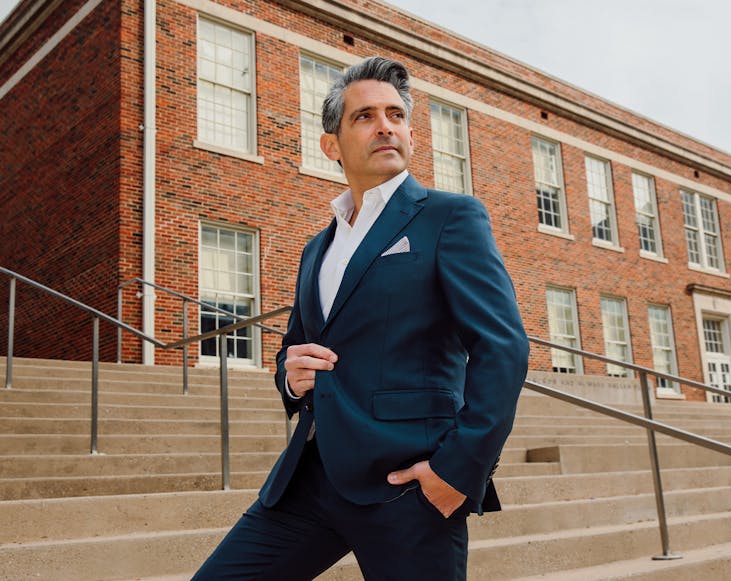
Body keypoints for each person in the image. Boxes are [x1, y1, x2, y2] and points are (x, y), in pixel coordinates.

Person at [193, 55, 528, 580]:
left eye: (395, 114)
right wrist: (289, 373)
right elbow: (295, 347)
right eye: (365, 116)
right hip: (309, 480)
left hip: (408, 485)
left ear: (412, 135)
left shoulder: (450, 217)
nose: (385, 126)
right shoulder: (316, 249)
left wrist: (458, 471)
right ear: (332, 145)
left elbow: (502, 348)